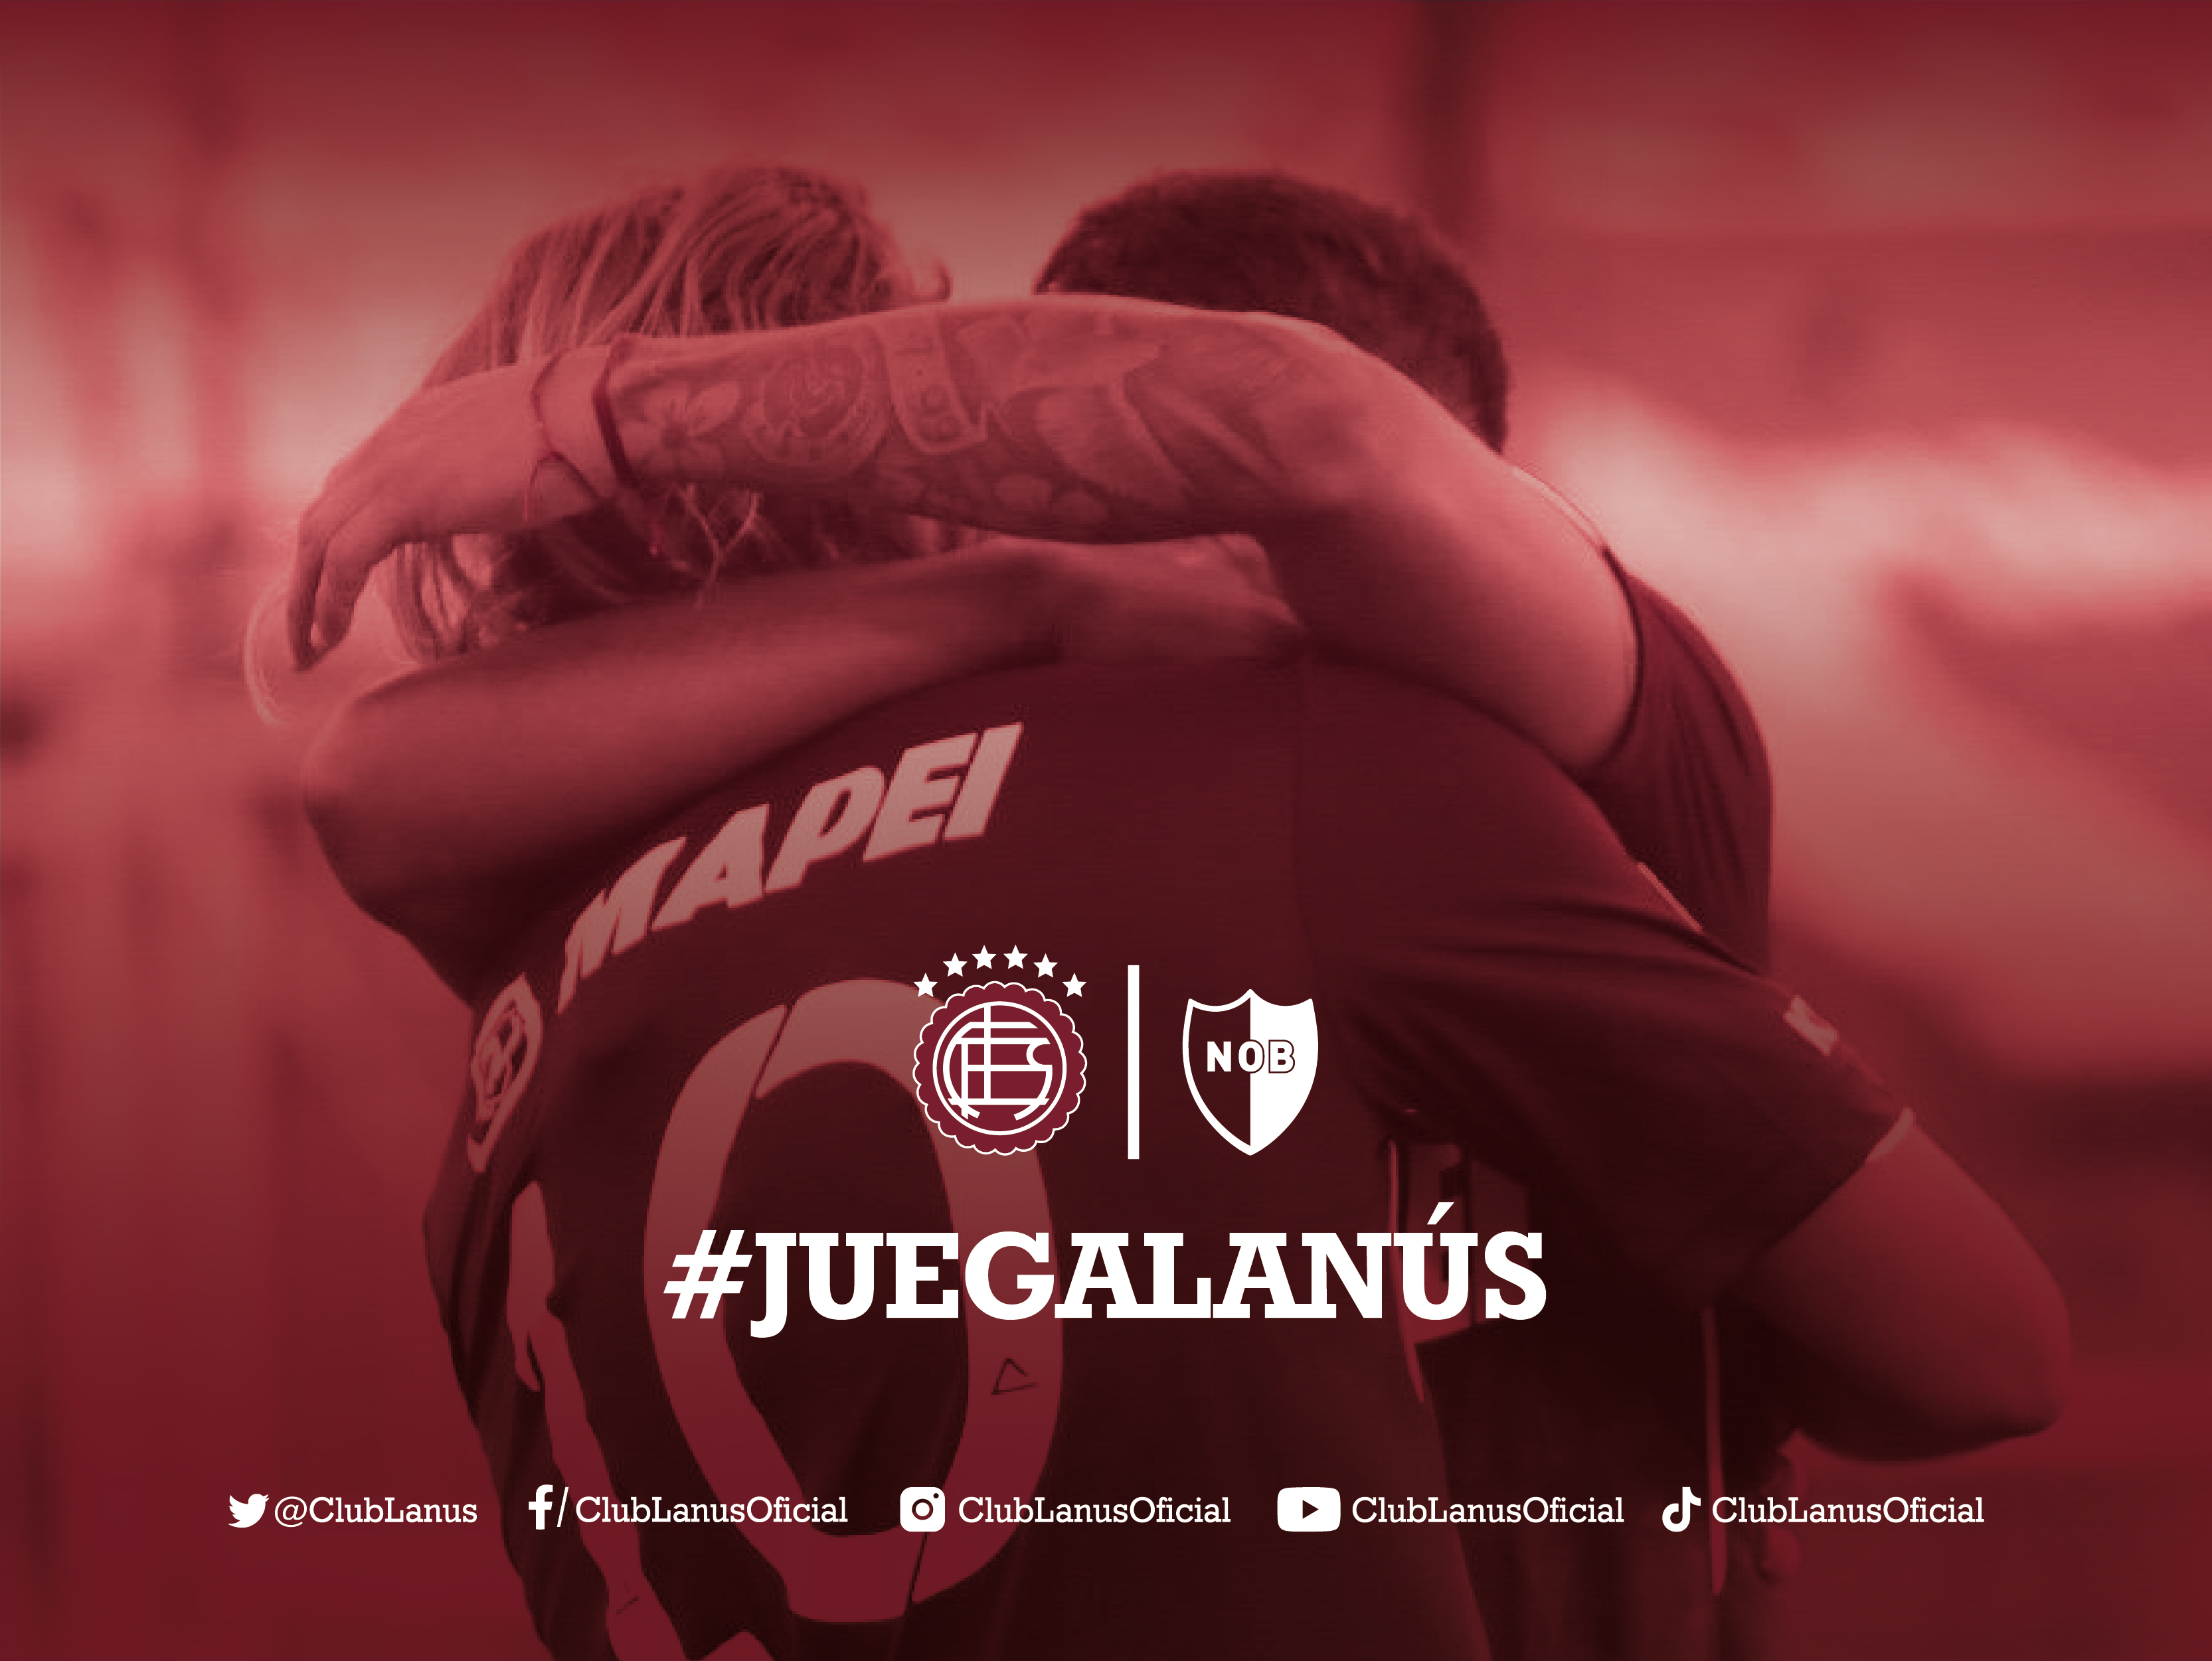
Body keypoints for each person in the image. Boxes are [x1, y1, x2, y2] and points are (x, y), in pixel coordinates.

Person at [287, 169, 2067, 1661]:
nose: (1214, 582)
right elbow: (1981, 1356)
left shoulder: (521, 1049)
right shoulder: (1298, 788)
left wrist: (600, 420)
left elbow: (368, 790)